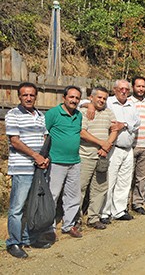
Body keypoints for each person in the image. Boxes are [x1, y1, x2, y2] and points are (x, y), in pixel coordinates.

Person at [6, 82, 51, 258]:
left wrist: (45, 157)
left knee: (32, 206)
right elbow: (15, 141)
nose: (28, 98)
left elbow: (45, 137)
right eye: (25, 95)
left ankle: (29, 238)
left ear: (35, 96)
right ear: (19, 97)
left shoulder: (40, 115)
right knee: (17, 207)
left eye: (32, 95)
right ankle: (14, 243)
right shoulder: (13, 115)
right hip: (22, 168)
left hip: (38, 168)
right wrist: (36, 156)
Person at [46, 85, 83, 238]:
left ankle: (69, 225)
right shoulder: (53, 114)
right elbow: (44, 134)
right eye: (71, 97)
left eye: (77, 98)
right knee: (52, 195)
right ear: (64, 98)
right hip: (56, 162)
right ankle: (48, 227)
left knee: (73, 196)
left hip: (74, 161)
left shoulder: (79, 115)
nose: (74, 100)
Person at [78, 87, 117, 229]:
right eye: (99, 97)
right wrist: (102, 143)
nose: (101, 100)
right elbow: (82, 133)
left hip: (102, 156)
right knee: (80, 188)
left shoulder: (108, 112)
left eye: (104, 98)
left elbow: (114, 129)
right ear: (91, 98)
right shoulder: (84, 112)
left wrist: (108, 144)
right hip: (86, 155)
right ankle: (76, 219)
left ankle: (93, 218)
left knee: (99, 188)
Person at [101, 80, 140, 222]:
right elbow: (86, 103)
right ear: (115, 89)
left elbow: (137, 123)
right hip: (113, 148)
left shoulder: (132, 105)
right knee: (110, 180)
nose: (124, 91)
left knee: (124, 181)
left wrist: (123, 124)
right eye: (121, 89)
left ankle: (119, 210)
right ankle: (104, 212)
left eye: (126, 89)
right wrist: (89, 107)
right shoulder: (109, 102)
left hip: (128, 148)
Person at [129, 76, 145, 215]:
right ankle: (123, 205)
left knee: (142, 177)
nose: (141, 89)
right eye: (138, 86)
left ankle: (137, 203)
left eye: (143, 86)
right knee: (127, 177)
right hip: (131, 146)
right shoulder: (128, 102)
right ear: (133, 87)